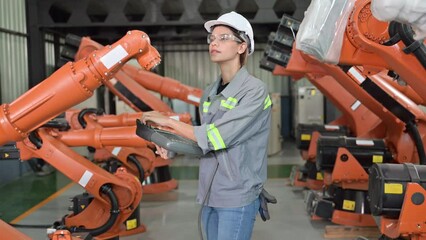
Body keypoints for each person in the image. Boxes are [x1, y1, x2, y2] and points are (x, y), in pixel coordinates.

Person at [141, 11, 272, 240]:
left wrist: (167, 121)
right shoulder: (210, 93)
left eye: (223, 38)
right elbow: (204, 144)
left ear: (242, 47)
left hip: (236, 195)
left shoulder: (255, 91)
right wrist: (170, 145)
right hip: (210, 193)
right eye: (212, 38)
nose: (214, 43)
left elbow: (215, 137)